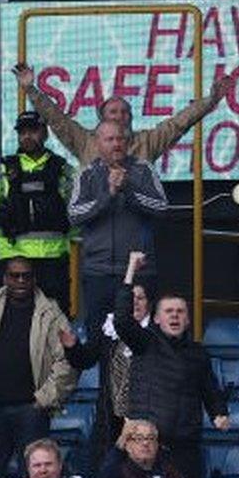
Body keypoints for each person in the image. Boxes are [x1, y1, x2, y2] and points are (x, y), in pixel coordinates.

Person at [111, 252, 229, 478]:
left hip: (185, 447)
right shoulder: (144, 342)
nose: (175, 315)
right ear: (156, 319)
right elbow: (122, 320)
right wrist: (131, 270)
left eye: (180, 312)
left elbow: (209, 389)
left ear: (187, 320)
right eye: (169, 311)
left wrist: (219, 412)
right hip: (148, 445)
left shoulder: (198, 353)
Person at [0, 261, 80, 478]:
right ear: (5, 278)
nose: (20, 281)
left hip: (32, 410)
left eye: (26, 276)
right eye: (15, 276)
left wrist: (44, 399)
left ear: (34, 279)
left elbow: (68, 361)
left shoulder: (51, 313)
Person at [13, 62, 232, 166]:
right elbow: (56, 118)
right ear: (101, 119)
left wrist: (211, 100)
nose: (120, 116)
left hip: (135, 227)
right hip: (97, 230)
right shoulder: (85, 142)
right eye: (113, 112)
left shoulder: (147, 141)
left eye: (125, 112)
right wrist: (31, 89)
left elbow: (179, 123)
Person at [68, 124, 167, 338]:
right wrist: (109, 195)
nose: (116, 144)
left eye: (120, 139)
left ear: (128, 142)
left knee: (141, 339)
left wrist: (128, 189)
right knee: (98, 339)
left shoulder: (144, 169)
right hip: (98, 273)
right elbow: (74, 214)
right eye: (110, 139)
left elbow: (161, 207)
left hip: (139, 272)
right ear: (97, 143)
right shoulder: (86, 174)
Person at [0, 110, 75, 306]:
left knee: (55, 325)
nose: (27, 136)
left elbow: (74, 219)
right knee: (11, 324)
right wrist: (11, 251)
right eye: (22, 131)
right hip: (14, 262)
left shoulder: (64, 171)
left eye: (33, 130)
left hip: (53, 260)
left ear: (45, 133)